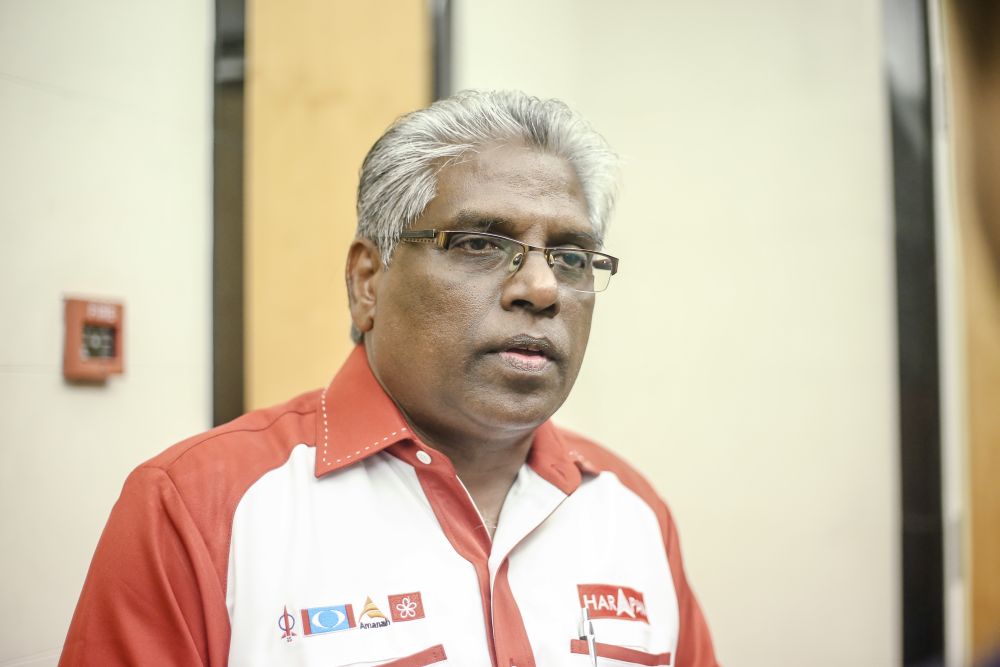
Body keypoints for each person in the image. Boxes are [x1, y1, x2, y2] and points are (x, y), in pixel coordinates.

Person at [59, 90, 718, 667]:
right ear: (367, 281)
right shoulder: (197, 509)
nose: (542, 287)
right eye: (480, 243)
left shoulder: (630, 510)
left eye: (572, 256)